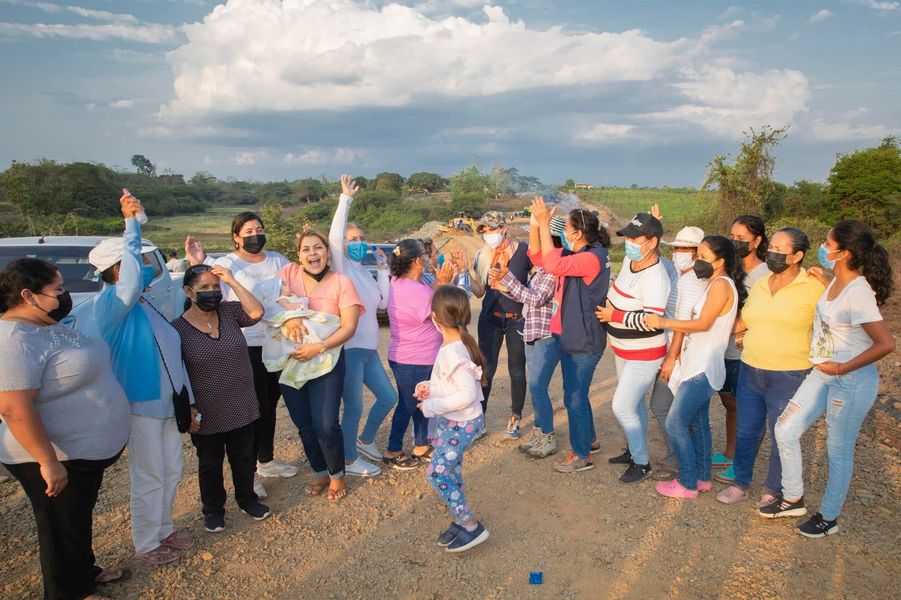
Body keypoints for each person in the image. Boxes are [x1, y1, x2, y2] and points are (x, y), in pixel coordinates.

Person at [0, 258, 131, 600]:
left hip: (78, 451)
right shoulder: (12, 338)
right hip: (49, 455)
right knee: (60, 527)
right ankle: (69, 592)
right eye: (57, 289)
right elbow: (13, 408)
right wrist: (47, 461)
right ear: (28, 295)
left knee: (76, 518)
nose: (64, 295)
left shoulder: (42, 324)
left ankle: (84, 571)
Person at [85, 192, 196, 566]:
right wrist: (131, 224)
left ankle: (164, 529)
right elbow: (131, 284)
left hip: (170, 404)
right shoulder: (111, 304)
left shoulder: (145, 304)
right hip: (141, 405)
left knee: (172, 470)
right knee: (149, 475)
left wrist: (189, 400)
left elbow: (172, 356)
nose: (149, 268)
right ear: (119, 270)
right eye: (140, 262)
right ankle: (146, 542)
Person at [767, 221, 895, 536]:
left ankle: (828, 517)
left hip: (849, 379)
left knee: (838, 448)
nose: (823, 248)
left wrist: (842, 368)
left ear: (844, 253)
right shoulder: (837, 281)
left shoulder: (859, 292)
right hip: (822, 373)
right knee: (785, 428)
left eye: (828, 244)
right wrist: (826, 279)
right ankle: (793, 497)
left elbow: (886, 344)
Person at [185, 212, 297, 500]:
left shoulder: (278, 260)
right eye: (248, 231)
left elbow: (295, 288)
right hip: (245, 343)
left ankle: (266, 460)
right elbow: (205, 289)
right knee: (254, 407)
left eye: (259, 229)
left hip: (277, 342)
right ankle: (250, 472)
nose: (255, 235)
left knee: (270, 405)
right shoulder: (226, 263)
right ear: (236, 236)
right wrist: (197, 262)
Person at [716, 228, 825, 507]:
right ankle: (741, 483)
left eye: (779, 250)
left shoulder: (814, 287)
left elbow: (835, 320)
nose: (772, 253)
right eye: (771, 248)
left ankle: (774, 490)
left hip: (789, 373)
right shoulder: (763, 284)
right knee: (747, 431)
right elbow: (745, 320)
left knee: (782, 435)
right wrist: (710, 329)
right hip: (751, 368)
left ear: (797, 256)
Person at [173, 264, 270, 531]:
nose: (212, 291)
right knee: (210, 463)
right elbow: (176, 373)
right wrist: (188, 407)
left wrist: (232, 281)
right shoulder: (177, 329)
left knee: (244, 457)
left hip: (241, 402)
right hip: (207, 410)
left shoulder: (229, 312)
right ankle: (213, 510)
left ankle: (247, 499)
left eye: (216, 286)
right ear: (188, 291)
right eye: (204, 287)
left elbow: (257, 312)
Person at [646, 236, 743, 499]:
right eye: (697, 255)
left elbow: (703, 323)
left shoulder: (721, 285)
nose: (697, 260)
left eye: (702, 256)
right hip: (697, 365)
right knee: (699, 425)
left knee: (675, 424)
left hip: (703, 368)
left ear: (720, 261)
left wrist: (664, 323)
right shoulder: (715, 283)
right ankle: (702, 477)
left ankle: (687, 483)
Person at [274, 229, 363, 501]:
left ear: (327, 252)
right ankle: (320, 471)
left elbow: (348, 327)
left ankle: (337, 474)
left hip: (327, 361)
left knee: (325, 423)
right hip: (292, 361)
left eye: (318, 247)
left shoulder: (342, 283)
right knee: (303, 423)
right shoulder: (288, 275)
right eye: (306, 249)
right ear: (298, 255)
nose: (312, 253)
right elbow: (272, 302)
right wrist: (289, 316)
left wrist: (319, 346)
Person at [531, 198, 611, 473]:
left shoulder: (591, 258)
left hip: (583, 341)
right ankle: (589, 440)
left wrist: (545, 224)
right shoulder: (582, 254)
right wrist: (535, 225)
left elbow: (552, 265)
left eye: (566, 228)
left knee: (574, 397)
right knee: (578, 394)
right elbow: (539, 257)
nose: (563, 232)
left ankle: (581, 455)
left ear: (577, 233)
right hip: (573, 336)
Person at [328, 175, 395, 477]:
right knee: (353, 406)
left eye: (361, 238)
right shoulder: (340, 268)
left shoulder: (361, 270)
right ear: (343, 244)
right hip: (350, 350)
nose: (358, 243)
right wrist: (345, 200)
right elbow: (333, 238)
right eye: (352, 239)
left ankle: (365, 440)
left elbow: (382, 304)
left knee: (388, 397)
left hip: (369, 351)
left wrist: (383, 270)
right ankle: (348, 459)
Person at [596, 212, 670, 484]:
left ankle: (642, 463)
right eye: (627, 237)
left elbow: (652, 321)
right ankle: (633, 449)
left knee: (622, 406)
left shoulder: (656, 278)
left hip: (644, 353)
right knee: (635, 404)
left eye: (635, 239)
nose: (629, 243)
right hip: (623, 348)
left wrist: (614, 316)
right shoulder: (631, 261)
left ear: (652, 242)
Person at [417, 285, 489, 553]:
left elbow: (467, 395)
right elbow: (450, 383)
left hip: (462, 423)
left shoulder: (455, 351)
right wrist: (430, 387)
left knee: (438, 472)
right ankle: (459, 520)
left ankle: (470, 525)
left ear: (435, 317)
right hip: (452, 421)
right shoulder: (453, 345)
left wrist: (431, 405)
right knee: (452, 470)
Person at [383, 239, 453, 469]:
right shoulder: (415, 291)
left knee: (422, 399)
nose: (427, 257)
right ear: (415, 261)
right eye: (424, 255)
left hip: (412, 356)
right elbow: (443, 312)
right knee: (408, 404)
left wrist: (438, 283)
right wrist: (445, 284)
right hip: (413, 359)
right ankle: (392, 450)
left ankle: (421, 445)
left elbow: (429, 292)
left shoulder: (402, 281)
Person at [494, 219, 560, 458]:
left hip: (544, 335)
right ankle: (540, 432)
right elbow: (526, 296)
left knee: (538, 387)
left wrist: (508, 279)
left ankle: (548, 435)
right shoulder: (541, 269)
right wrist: (505, 284)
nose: (534, 247)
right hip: (532, 333)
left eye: (539, 241)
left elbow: (535, 298)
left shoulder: (552, 271)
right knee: (535, 387)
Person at [649, 226, 708, 481]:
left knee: (662, 407)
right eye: (676, 248)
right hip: (680, 352)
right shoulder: (681, 274)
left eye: (685, 248)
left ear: (697, 253)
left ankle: (679, 460)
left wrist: (671, 359)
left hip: (681, 354)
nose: (678, 253)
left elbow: (682, 325)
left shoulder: (693, 281)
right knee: (691, 415)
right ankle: (696, 465)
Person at [715, 215, 771, 482]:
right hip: (723, 348)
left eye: (741, 238)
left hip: (745, 352)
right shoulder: (729, 267)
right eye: (732, 237)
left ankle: (741, 465)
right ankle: (729, 453)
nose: (735, 242)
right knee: (730, 404)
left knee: (748, 410)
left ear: (757, 241)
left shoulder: (766, 275)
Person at [472, 211, 532, 439]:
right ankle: (480, 420)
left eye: (492, 229)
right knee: (486, 369)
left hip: (517, 318)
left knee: (516, 370)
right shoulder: (482, 255)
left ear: (504, 228)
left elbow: (533, 286)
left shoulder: (524, 251)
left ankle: (515, 417)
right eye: (485, 231)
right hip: (490, 319)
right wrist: (465, 272)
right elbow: (479, 292)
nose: (489, 234)